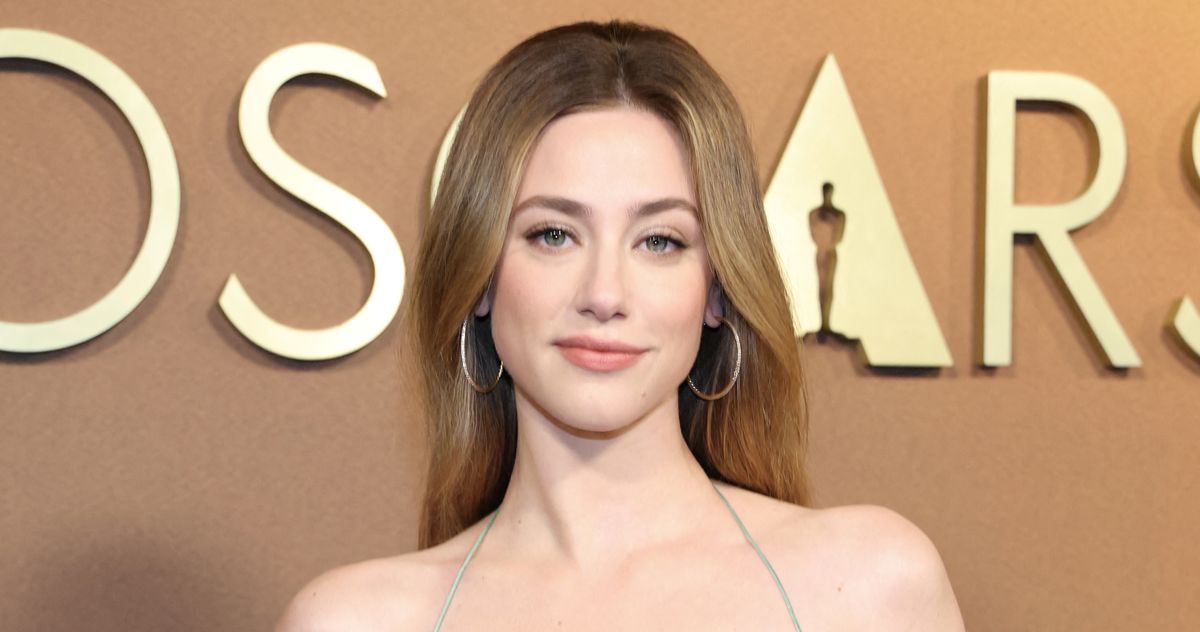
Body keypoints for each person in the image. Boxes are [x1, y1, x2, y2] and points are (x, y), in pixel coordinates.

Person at [276, 19, 965, 631]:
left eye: (660, 241)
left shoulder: (869, 588)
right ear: (480, 275)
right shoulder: (355, 620)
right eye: (553, 234)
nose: (604, 294)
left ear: (717, 289)